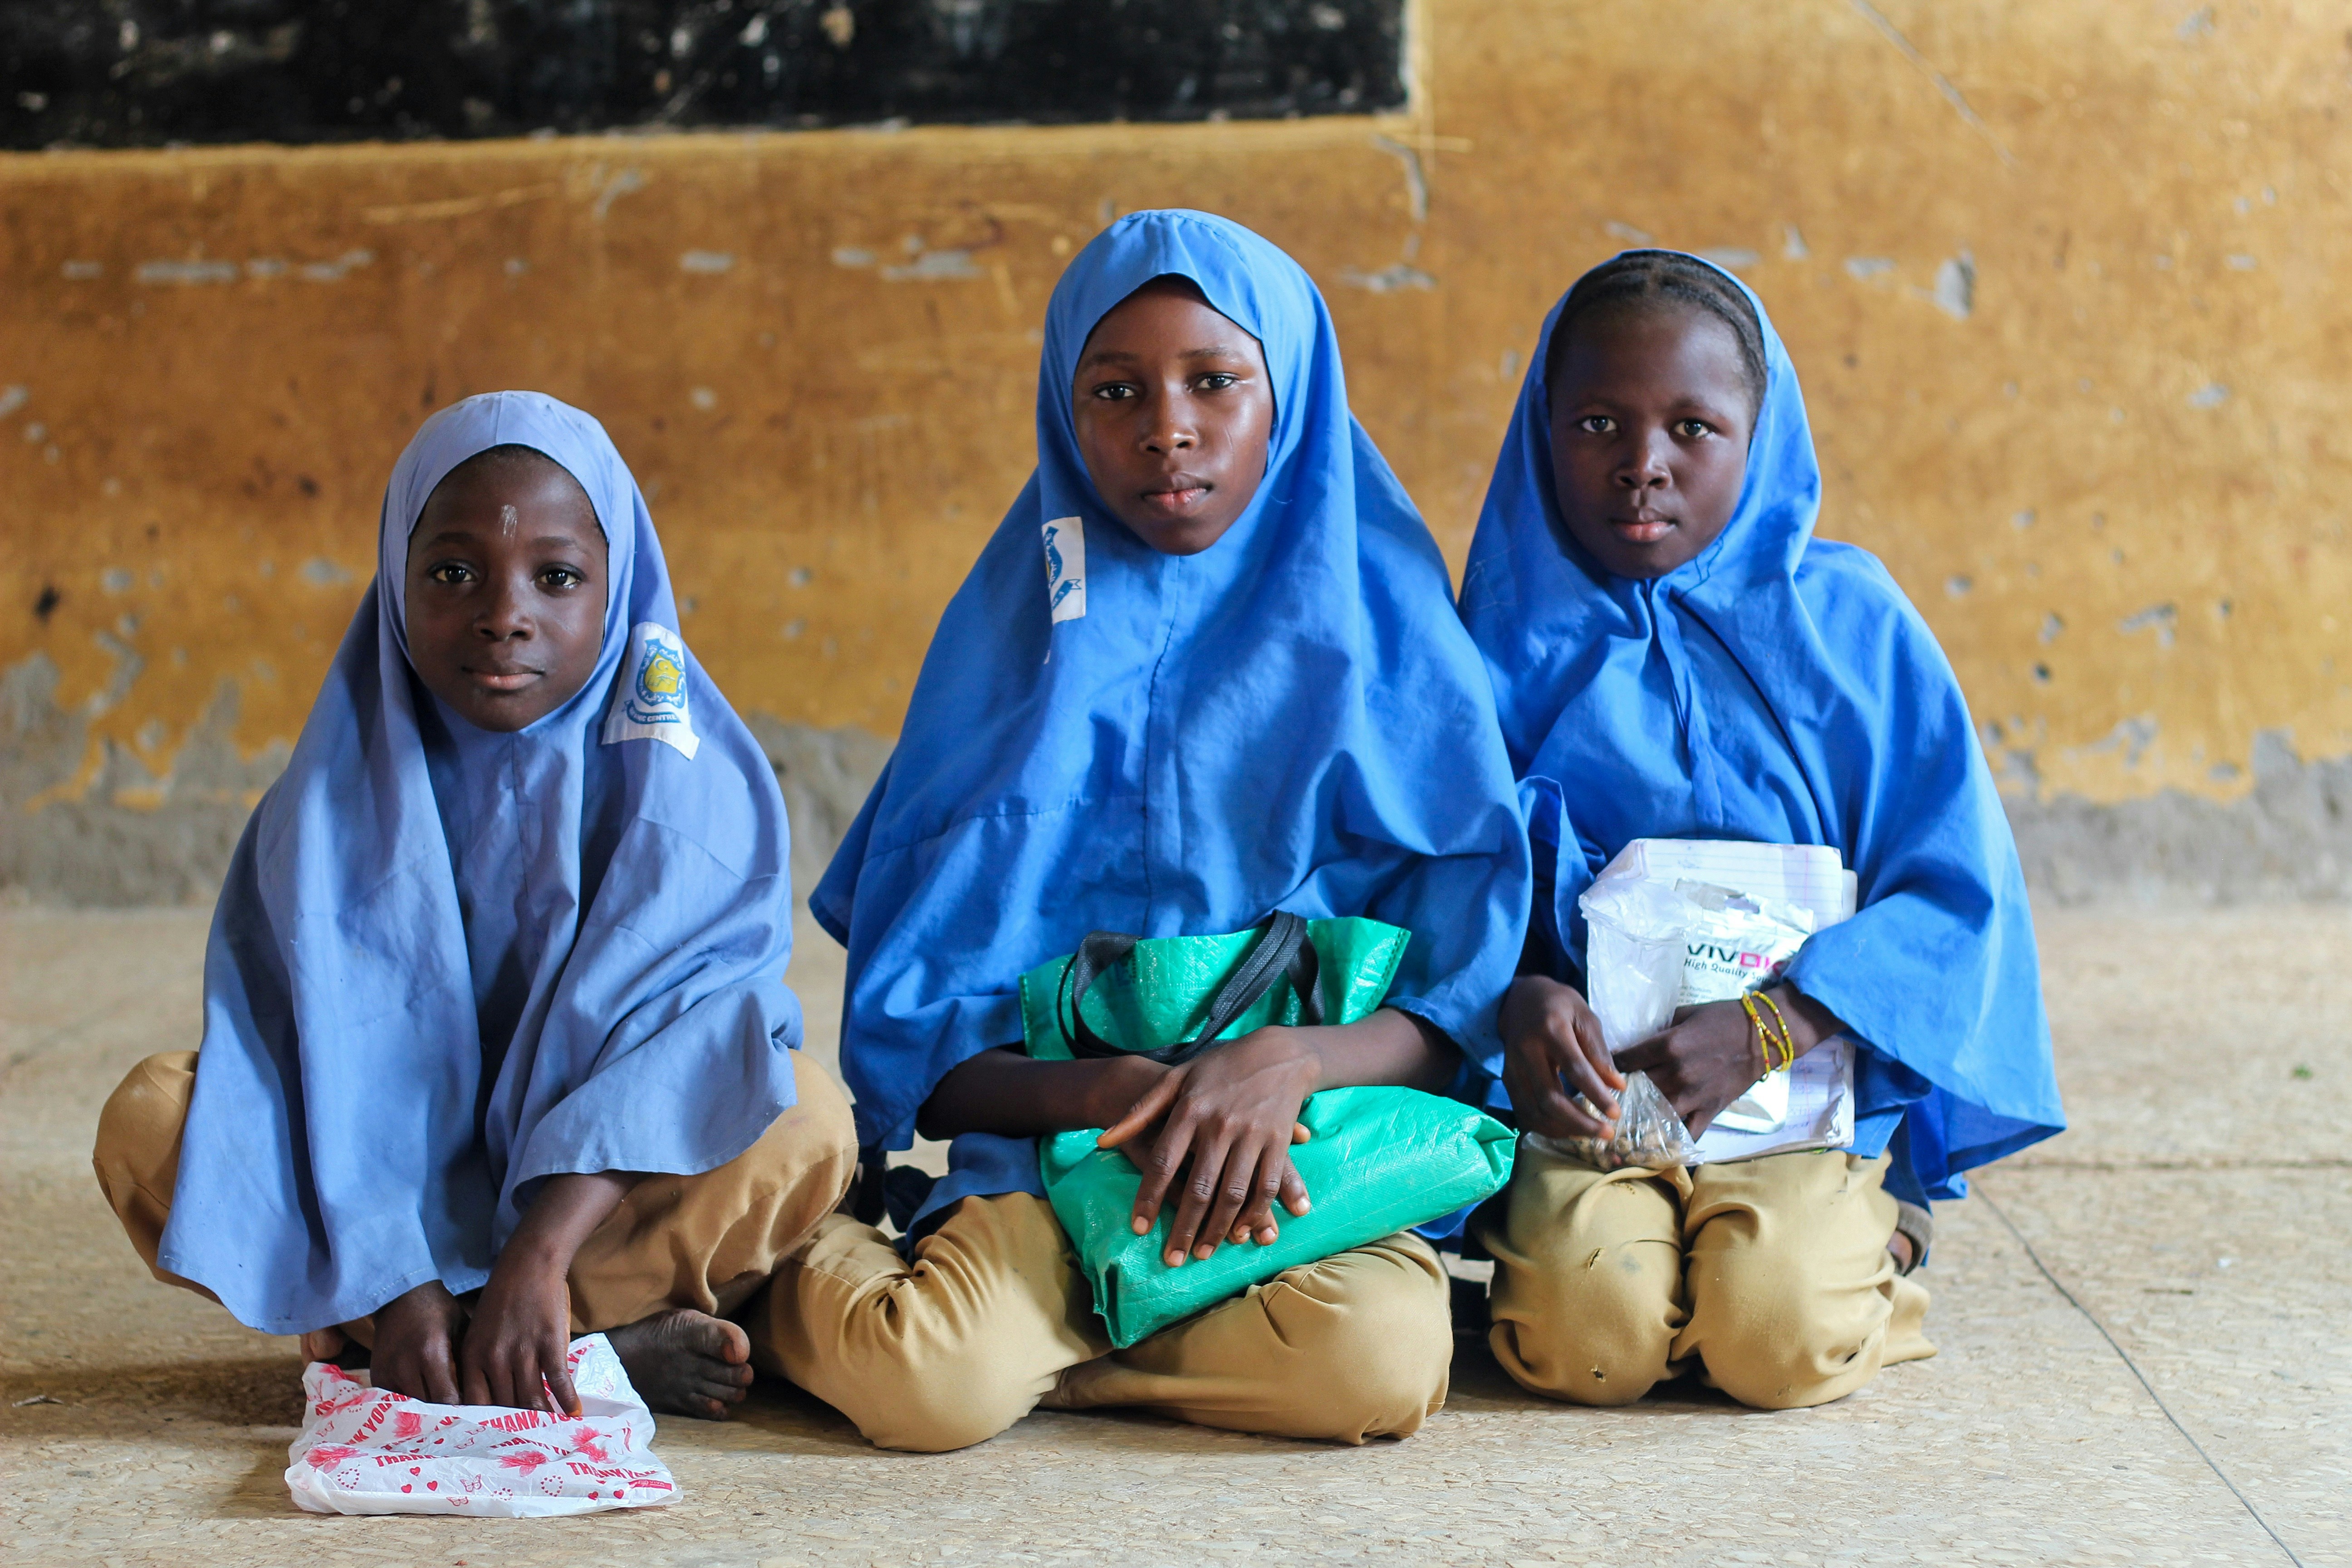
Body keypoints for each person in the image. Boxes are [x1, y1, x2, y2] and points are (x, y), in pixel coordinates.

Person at [756, 210, 1531, 1452]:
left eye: (1216, 382)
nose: (1166, 427)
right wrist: (1105, 1089)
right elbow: (924, 1051)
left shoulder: (1392, 643)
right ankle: (809, 1266)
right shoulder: (1009, 648)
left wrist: (1292, 1065)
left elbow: (1461, 1008)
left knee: (1377, 1366)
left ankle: (1071, 1345)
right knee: (924, 1390)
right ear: (1067, 417)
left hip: (1303, 1172)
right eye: (1115, 391)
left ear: (1293, 400)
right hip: (1055, 1165)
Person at [91, 392, 856, 1421]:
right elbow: (297, 1054)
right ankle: (568, 1352)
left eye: (558, 578)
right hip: (385, 1218)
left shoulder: (684, 778)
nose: (507, 614)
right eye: (453, 573)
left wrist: (539, 1252)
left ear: (618, 584)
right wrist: (396, 1285)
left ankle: (488, 1336)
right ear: (394, 583)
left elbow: (698, 1036)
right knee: (152, 1117)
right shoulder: (328, 800)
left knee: (808, 1120)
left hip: (593, 1219)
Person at [1457, 250, 2064, 1410]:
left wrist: (1772, 1028)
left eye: (1695, 427)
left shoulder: (1853, 628)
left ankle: (1873, 1243)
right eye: (1596, 423)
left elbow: (1954, 893)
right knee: (1591, 1345)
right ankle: (1629, 1259)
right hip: (1589, 1111)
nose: (1643, 467)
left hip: (1802, 1097)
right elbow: (1434, 894)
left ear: (1760, 434)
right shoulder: (1487, 649)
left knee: (1774, 1341)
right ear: (1542, 431)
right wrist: (1521, 1000)